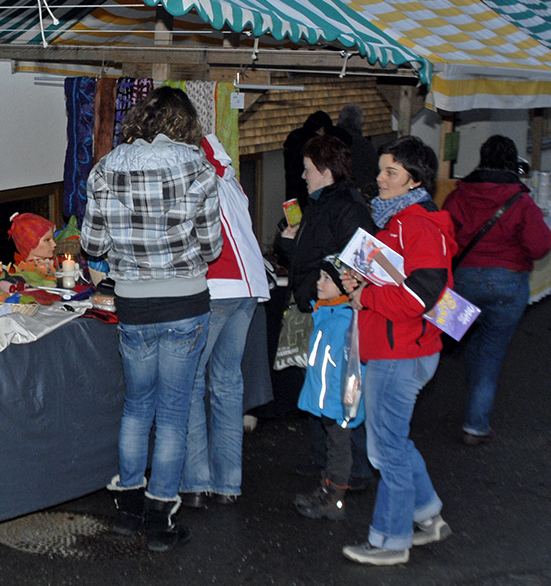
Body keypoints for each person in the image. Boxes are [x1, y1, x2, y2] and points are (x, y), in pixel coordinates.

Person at [81, 86, 222, 553]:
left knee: (137, 406)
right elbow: (212, 248)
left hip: (134, 304)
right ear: (186, 125)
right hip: (185, 302)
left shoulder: (105, 169)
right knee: (174, 412)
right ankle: (161, 518)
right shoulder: (199, 169)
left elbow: (93, 244)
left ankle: (128, 511)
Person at [340, 135, 455, 566]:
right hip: (404, 347)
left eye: (391, 172)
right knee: (394, 444)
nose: (380, 179)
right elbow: (412, 286)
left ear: (415, 180)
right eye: (381, 170)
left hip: (400, 352)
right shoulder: (403, 221)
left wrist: (365, 296)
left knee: (386, 450)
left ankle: (391, 541)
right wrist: (362, 286)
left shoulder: (415, 224)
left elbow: (422, 293)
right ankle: (428, 516)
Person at [273, 134, 375, 488]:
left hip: (337, 312)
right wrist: (287, 243)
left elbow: (358, 261)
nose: (303, 176)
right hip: (318, 308)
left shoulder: (348, 207)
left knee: (343, 391)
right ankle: (325, 460)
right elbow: (309, 255)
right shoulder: (320, 203)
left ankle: (355, 469)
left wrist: (327, 280)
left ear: (326, 171)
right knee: (320, 386)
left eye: (308, 169)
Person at [441, 135, 551, 446]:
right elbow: (540, 246)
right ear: (512, 162)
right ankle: (476, 425)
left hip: (461, 283)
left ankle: (406, 409)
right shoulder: (522, 201)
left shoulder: (458, 196)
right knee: (490, 351)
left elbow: (444, 239)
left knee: (445, 343)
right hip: (507, 284)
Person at [180, 134, 270, 508]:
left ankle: (196, 481)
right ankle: (228, 482)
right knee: (228, 384)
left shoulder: (191, 177)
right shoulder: (230, 179)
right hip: (248, 288)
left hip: (215, 286)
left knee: (189, 383)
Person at [293, 256, 364, 521]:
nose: (319, 283)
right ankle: (327, 489)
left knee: (339, 448)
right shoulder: (328, 313)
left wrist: (336, 406)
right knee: (333, 447)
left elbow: (347, 371)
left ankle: (334, 499)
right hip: (328, 402)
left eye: (327, 279)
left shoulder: (344, 322)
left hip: (337, 404)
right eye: (320, 277)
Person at [283, 111, 352, 208]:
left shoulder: (293, 140)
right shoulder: (316, 148)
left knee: (295, 216)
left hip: (292, 194)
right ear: (322, 129)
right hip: (311, 194)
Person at [337, 104, 379, 197]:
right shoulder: (363, 144)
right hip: (360, 192)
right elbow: (375, 169)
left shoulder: (330, 141)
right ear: (360, 123)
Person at [7, 212, 58, 283]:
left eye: (52, 239)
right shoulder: (30, 270)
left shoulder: (49, 264)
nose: (54, 244)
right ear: (29, 244)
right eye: (47, 240)